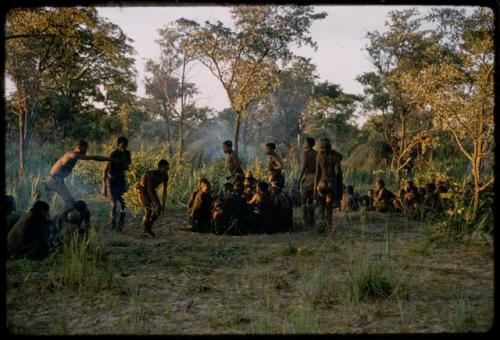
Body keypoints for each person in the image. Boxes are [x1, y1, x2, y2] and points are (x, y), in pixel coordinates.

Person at [46, 140, 110, 210]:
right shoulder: (73, 155)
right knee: (71, 202)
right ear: (79, 147)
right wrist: (110, 159)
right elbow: (94, 157)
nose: (86, 150)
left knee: (70, 202)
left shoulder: (71, 154)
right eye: (85, 148)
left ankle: (62, 218)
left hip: (55, 180)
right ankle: (64, 219)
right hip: (55, 181)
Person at [314, 138, 343, 232]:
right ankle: (329, 227)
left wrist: (315, 188)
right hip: (331, 183)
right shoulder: (335, 157)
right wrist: (340, 185)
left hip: (321, 183)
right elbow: (339, 172)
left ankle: (321, 225)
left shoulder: (319, 156)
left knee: (321, 205)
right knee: (329, 207)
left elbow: (317, 174)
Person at [134, 159, 169, 237]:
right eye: (165, 168)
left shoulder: (165, 176)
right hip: (142, 189)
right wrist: (155, 204)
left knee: (158, 210)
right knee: (149, 209)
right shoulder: (151, 174)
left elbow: (165, 191)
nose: (167, 170)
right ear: (159, 168)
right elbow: (148, 190)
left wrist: (163, 204)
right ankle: (146, 227)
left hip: (151, 190)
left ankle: (148, 227)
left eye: (168, 169)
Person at [103, 136, 132, 230]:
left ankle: (120, 224)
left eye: (126, 145)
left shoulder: (127, 153)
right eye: (123, 145)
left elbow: (128, 167)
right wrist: (104, 187)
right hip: (112, 181)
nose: (124, 147)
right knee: (114, 204)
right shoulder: (113, 154)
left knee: (124, 204)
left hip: (121, 180)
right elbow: (108, 171)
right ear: (118, 145)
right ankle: (112, 224)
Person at [298, 137, 317, 227]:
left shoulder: (306, 153)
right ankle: (312, 221)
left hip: (308, 177)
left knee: (303, 200)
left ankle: (305, 222)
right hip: (315, 178)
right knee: (311, 200)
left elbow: (304, 166)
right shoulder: (316, 153)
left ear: (308, 144)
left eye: (305, 142)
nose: (304, 144)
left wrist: (299, 179)